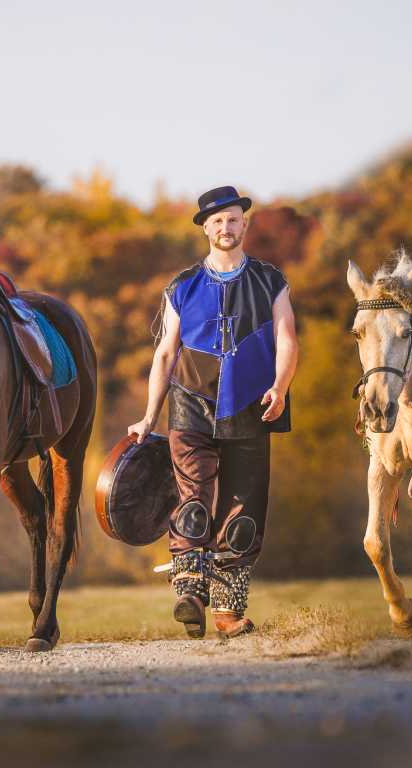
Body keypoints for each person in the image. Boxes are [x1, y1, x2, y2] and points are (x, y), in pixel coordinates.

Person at [128, 186, 299, 638]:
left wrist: (280, 387)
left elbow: (287, 339)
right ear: (206, 228)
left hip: (252, 404)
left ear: (245, 225)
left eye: (233, 219)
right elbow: (165, 354)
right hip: (190, 404)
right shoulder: (182, 285)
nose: (226, 227)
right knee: (193, 498)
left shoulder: (270, 281)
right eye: (217, 221)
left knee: (244, 511)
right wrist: (149, 416)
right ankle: (189, 589)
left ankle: (228, 610)